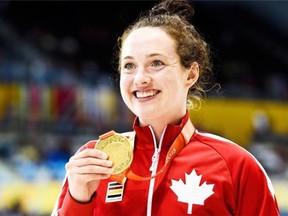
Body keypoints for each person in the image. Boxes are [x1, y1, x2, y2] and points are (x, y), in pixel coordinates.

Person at [52, 0, 280, 215]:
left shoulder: (236, 166)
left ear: (190, 74)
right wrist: (78, 199)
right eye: (129, 66)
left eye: (156, 63)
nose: (140, 78)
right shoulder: (94, 161)